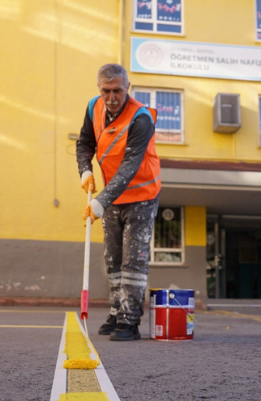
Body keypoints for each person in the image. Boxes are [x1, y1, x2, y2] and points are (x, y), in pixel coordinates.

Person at [76, 63, 161, 341]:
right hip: (113, 195)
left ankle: (130, 320)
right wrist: (85, 170)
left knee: (132, 261)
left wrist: (101, 201)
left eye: (117, 91)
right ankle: (116, 311)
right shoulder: (94, 107)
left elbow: (130, 165)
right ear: (99, 89)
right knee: (112, 258)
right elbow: (84, 142)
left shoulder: (141, 118)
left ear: (128, 88)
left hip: (142, 196)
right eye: (106, 91)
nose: (111, 98)